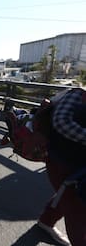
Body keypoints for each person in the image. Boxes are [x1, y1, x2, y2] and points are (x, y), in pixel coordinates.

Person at [37, 88, 86, 246]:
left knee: (68, 195)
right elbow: (61, 122)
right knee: (76, 208)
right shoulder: (77, 95)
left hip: (77, 164)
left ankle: (47, 220)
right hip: (63, 161)